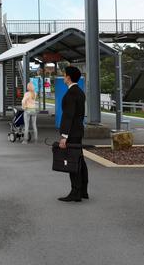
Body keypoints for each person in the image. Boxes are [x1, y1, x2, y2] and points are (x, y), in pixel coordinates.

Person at [58, 66, 89, 202]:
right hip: (78, 130)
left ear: (68, 77)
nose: (63, 77)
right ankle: (83, 191)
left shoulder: (71, 94)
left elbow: (68, 116)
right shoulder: (80, 92)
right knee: (80, 160)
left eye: (64, 75)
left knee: (73, 162)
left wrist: (64, 136)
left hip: (71, 133)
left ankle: (75, 192)